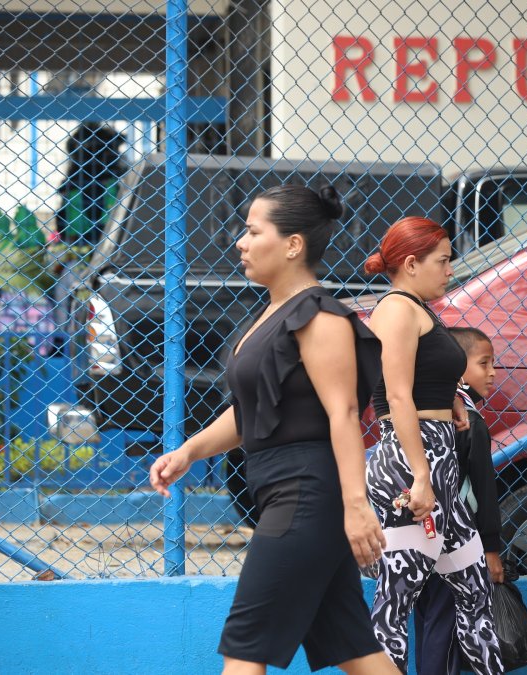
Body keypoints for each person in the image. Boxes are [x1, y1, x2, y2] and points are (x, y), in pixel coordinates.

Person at [149, 185, 395, 674]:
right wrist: (190, 452)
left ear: (292, 245)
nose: (240, 242)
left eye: (253, 230)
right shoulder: (267, 316)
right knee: (355, 650)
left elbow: (344, 414)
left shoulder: (320, 318)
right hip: (286, 490)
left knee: (246, 645)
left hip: (306, 494)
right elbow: (251, 411)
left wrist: (355, 508)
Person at [363, 217, 504, 675]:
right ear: (410, 263)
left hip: (437, 462)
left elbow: (428, 375)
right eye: (442, 260)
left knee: (474, 587)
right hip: (413, 464)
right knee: (395, 603)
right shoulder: (397, 310)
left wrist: (452, 400)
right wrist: (421, 476)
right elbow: (397, 393)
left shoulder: (419, 307)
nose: (449, 269)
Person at [414, 326, 504, 675]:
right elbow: (484, 489)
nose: (493, 372)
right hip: (457, 538)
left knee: (427, 618)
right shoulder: (472, 422)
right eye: (484, 363)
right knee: (450, 621)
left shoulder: (422, 415)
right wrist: (491, 550)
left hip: (420, 531)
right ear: (455, 366)